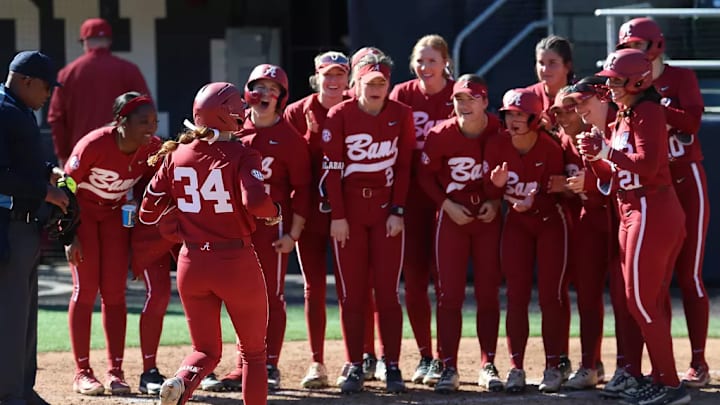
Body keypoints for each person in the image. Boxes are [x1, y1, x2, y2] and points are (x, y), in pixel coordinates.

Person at [140, 81, 280, 405]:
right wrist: (275, 212)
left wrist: (181, 226)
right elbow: (257, 203)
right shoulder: (244, 154)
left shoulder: (176, 153)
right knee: (255, 355)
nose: (245, 111)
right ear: (227, 114)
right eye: (240, 107)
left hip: (191, 263)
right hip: (235, 262)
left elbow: (148, 212)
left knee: (204, 351)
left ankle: (181, 380)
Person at [577, 48, 689, 405]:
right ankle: (661, 378)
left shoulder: (649, 111)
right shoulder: (626, 112)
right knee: (643, 300)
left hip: (650, 207)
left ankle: (670, 385)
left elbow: (648, 163)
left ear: (638, 81)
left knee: (640, 301)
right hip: (634, 206)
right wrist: (595, 157)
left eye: (616, 81)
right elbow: (616, 175)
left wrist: (606, 151)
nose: (610, 87)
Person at [616, 17, 711, 388]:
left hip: (684, 178)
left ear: (654, 46)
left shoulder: (678, 78)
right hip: (647, 186)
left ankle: (699, 361)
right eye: (626, 46)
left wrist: (649, 102)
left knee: (690, 275)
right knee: (653, 285)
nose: (630, 53)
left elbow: (691, 123)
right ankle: (656, 369)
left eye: (636, 45)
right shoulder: (626, 89)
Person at [322, 53, 415, 394]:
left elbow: (404, 166)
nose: (376, 88)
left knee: (388, 292)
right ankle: (355, 362)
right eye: (369, 82)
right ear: (356, 83)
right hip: (350, 212)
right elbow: (331, 171)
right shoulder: (340, 114)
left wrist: (398, 210)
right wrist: (338, 216)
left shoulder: (400, 115)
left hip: (385, 210)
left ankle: (391, 363)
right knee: (352, 294)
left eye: (382, 82)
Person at [218, 64, 311, 392]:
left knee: (272, 296)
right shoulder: (235, 132)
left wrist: (293, 234)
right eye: (259, 87)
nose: (265, 95)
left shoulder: (290, 139)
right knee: (237, 298)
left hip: (273, 228)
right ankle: (241, 365)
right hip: (236, 227)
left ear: (282, 97)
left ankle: (269, 364)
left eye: (273, 89)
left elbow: (302, 190)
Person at [63, 92, 161, 396]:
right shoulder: (94, 144)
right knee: (85, 289)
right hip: (83, 216)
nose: (151, 127)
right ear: (121, 121)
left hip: (116, 217)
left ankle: (115, 371)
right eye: (143, 121)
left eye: (154, 121)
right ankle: (82, 372)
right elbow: (65, 185)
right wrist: (68, 234)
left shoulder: (152, 148)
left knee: (115, 293)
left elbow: (156, 182)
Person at [417, 74, 503, 393]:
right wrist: (446, 205)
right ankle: (448, 365)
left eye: (471, 99)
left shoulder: (498, 130)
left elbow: (512, 172)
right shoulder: (440, 134)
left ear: (484, 101)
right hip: (452, 217)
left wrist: (496, 202)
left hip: (487, 218)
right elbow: (424, 177)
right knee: (449, 294)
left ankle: (488, 363)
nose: (464, 105)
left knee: (488, 292)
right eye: (458, 99)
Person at [484, 88, 570, 394]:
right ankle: (516, 367)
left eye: (521, 114)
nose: (514, 120)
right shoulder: (497, 144)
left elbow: (559, 191)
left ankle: (553, 366)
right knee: (516, 296)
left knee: (551, 297)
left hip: (549, 224)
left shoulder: (549, 147)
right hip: (516, 225)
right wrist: (495, 188)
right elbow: (491, 193)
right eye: (509, 114)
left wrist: (537, 200)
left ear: (535, 118)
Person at [387, 34, 454, 386]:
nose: (425, 67)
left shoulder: (458, 94)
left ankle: (447, 358)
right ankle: (426, 355)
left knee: (446, 280)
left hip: (448, 196)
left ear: (445, 62)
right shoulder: (403, 95)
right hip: (410, 197)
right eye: (420, 60)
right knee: (413, 280)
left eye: (432, 60)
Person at [0, 50, 67, 405]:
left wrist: (46, 170)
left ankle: (22, 390)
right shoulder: (2, 109)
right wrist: (46, 191)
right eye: (45, 87)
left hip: (25, 227)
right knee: (9, 318)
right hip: (7, 227)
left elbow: (20, 161)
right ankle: (9, 395)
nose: (48, 95)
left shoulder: (19, 108)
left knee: (24, 318)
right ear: (26, 80)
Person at [283, 50, 351, 389]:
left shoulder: (358, 107)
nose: (334, 80)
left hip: (347, 213)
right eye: (328, 74)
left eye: (340, 74)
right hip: (309, 211)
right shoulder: (298, 112)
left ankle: (358, 359)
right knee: (313, 288)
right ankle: (317, 362)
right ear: (316, 77)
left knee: (350, 288)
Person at [48, 17, 150, 166]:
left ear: (85, 42)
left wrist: (63, 156)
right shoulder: (129, 70)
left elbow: (56, 119)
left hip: (80, 157)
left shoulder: (67, 73)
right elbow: (146, 113)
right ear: (109, 41)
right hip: (122, 157)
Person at [526, 35, 575, 129]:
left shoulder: (581, 97)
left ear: (567, 66)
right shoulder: (527, 96)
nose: (544, 69)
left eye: (552, 63)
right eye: (541, 63)